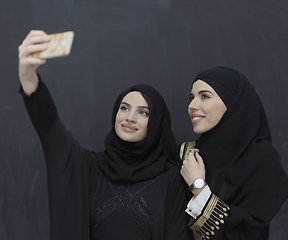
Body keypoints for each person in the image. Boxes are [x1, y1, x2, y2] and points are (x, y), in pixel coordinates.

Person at [18, 30, 192, 240]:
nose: (129, 117)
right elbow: (50, 130)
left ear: (156, 124)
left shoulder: (171, 177)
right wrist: (28, 77)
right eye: (124, 108)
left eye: (143, 112)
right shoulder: (90, 167)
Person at [179, 66, 288, 240]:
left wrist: (198, 186)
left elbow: (243, 234)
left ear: (232, 103)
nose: (192, 106)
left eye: (204, 96)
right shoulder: (187, 156)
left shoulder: (263, 162)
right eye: (191, 98)